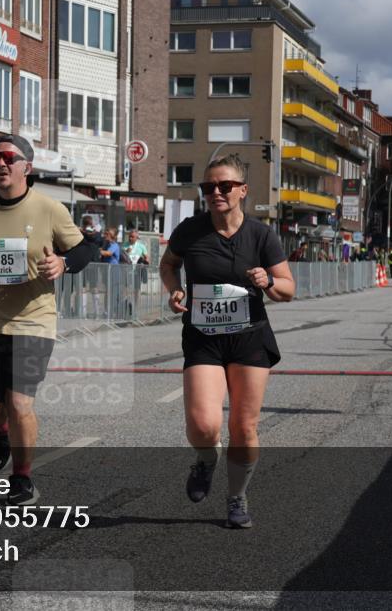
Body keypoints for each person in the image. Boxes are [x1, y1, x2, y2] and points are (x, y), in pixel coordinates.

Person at [0, 134, 100, 506]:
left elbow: (86, 248)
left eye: (8, 157)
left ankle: (22, 480)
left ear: (26, 168)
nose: (0, 163)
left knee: (20, 404)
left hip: (34, 322)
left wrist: (64, 262)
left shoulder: (48, 209)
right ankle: (2, 430)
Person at [159, 155, 295, 529]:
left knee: (244, 427)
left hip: (248, 338)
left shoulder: (261, 235)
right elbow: (167, 264)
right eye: (208, 187)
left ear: (242, 191)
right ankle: (205, 459)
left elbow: (288, 288)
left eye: (224, 186)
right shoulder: (190, 230)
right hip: (203, 337)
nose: (215, 192)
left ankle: (237, 497)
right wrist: (173, 291)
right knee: (203, 426)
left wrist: (268, 281)